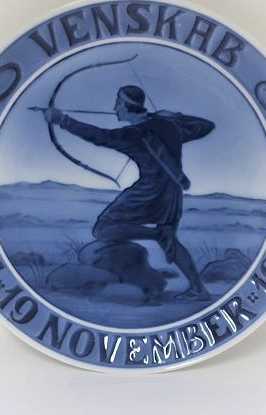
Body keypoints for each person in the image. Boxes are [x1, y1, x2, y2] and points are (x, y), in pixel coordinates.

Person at [44, 85, 215, 300]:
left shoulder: (132, 135)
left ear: (127, 107)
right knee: (171, 240)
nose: (114, 108)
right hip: (172, 192)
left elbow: (99, 136)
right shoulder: (168, 125)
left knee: (102, 229)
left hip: (149, 192)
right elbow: (205, 126)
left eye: (118, 103)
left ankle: (157, 234)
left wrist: (62, 120)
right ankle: (199, 289)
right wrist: (174, 117)